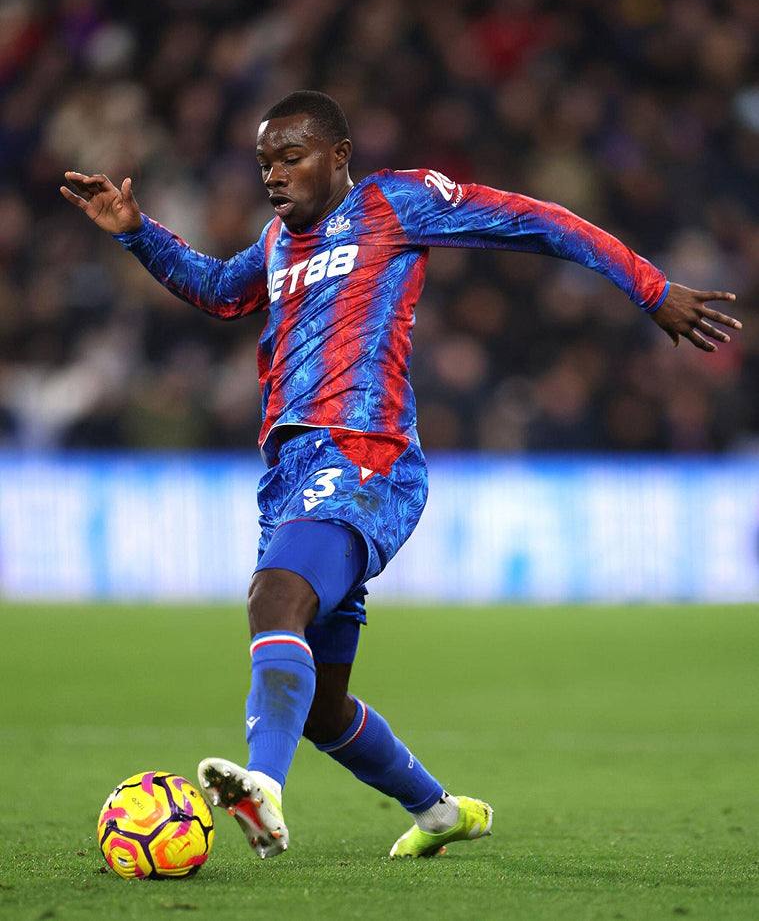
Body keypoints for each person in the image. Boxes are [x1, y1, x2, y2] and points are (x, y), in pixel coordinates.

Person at [61, 89, 741, 861]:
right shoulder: (278, 240)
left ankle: (262, 788)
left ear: (338, 155)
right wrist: (136, 232)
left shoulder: (394, 203)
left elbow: (538, 221)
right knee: (323, 709)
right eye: (264, 162)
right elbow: (221, 292)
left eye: (291, 157)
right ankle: (439, 812)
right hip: (291, 470)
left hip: (365, 454)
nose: (273, 175)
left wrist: (650, 288)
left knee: (273, 597)